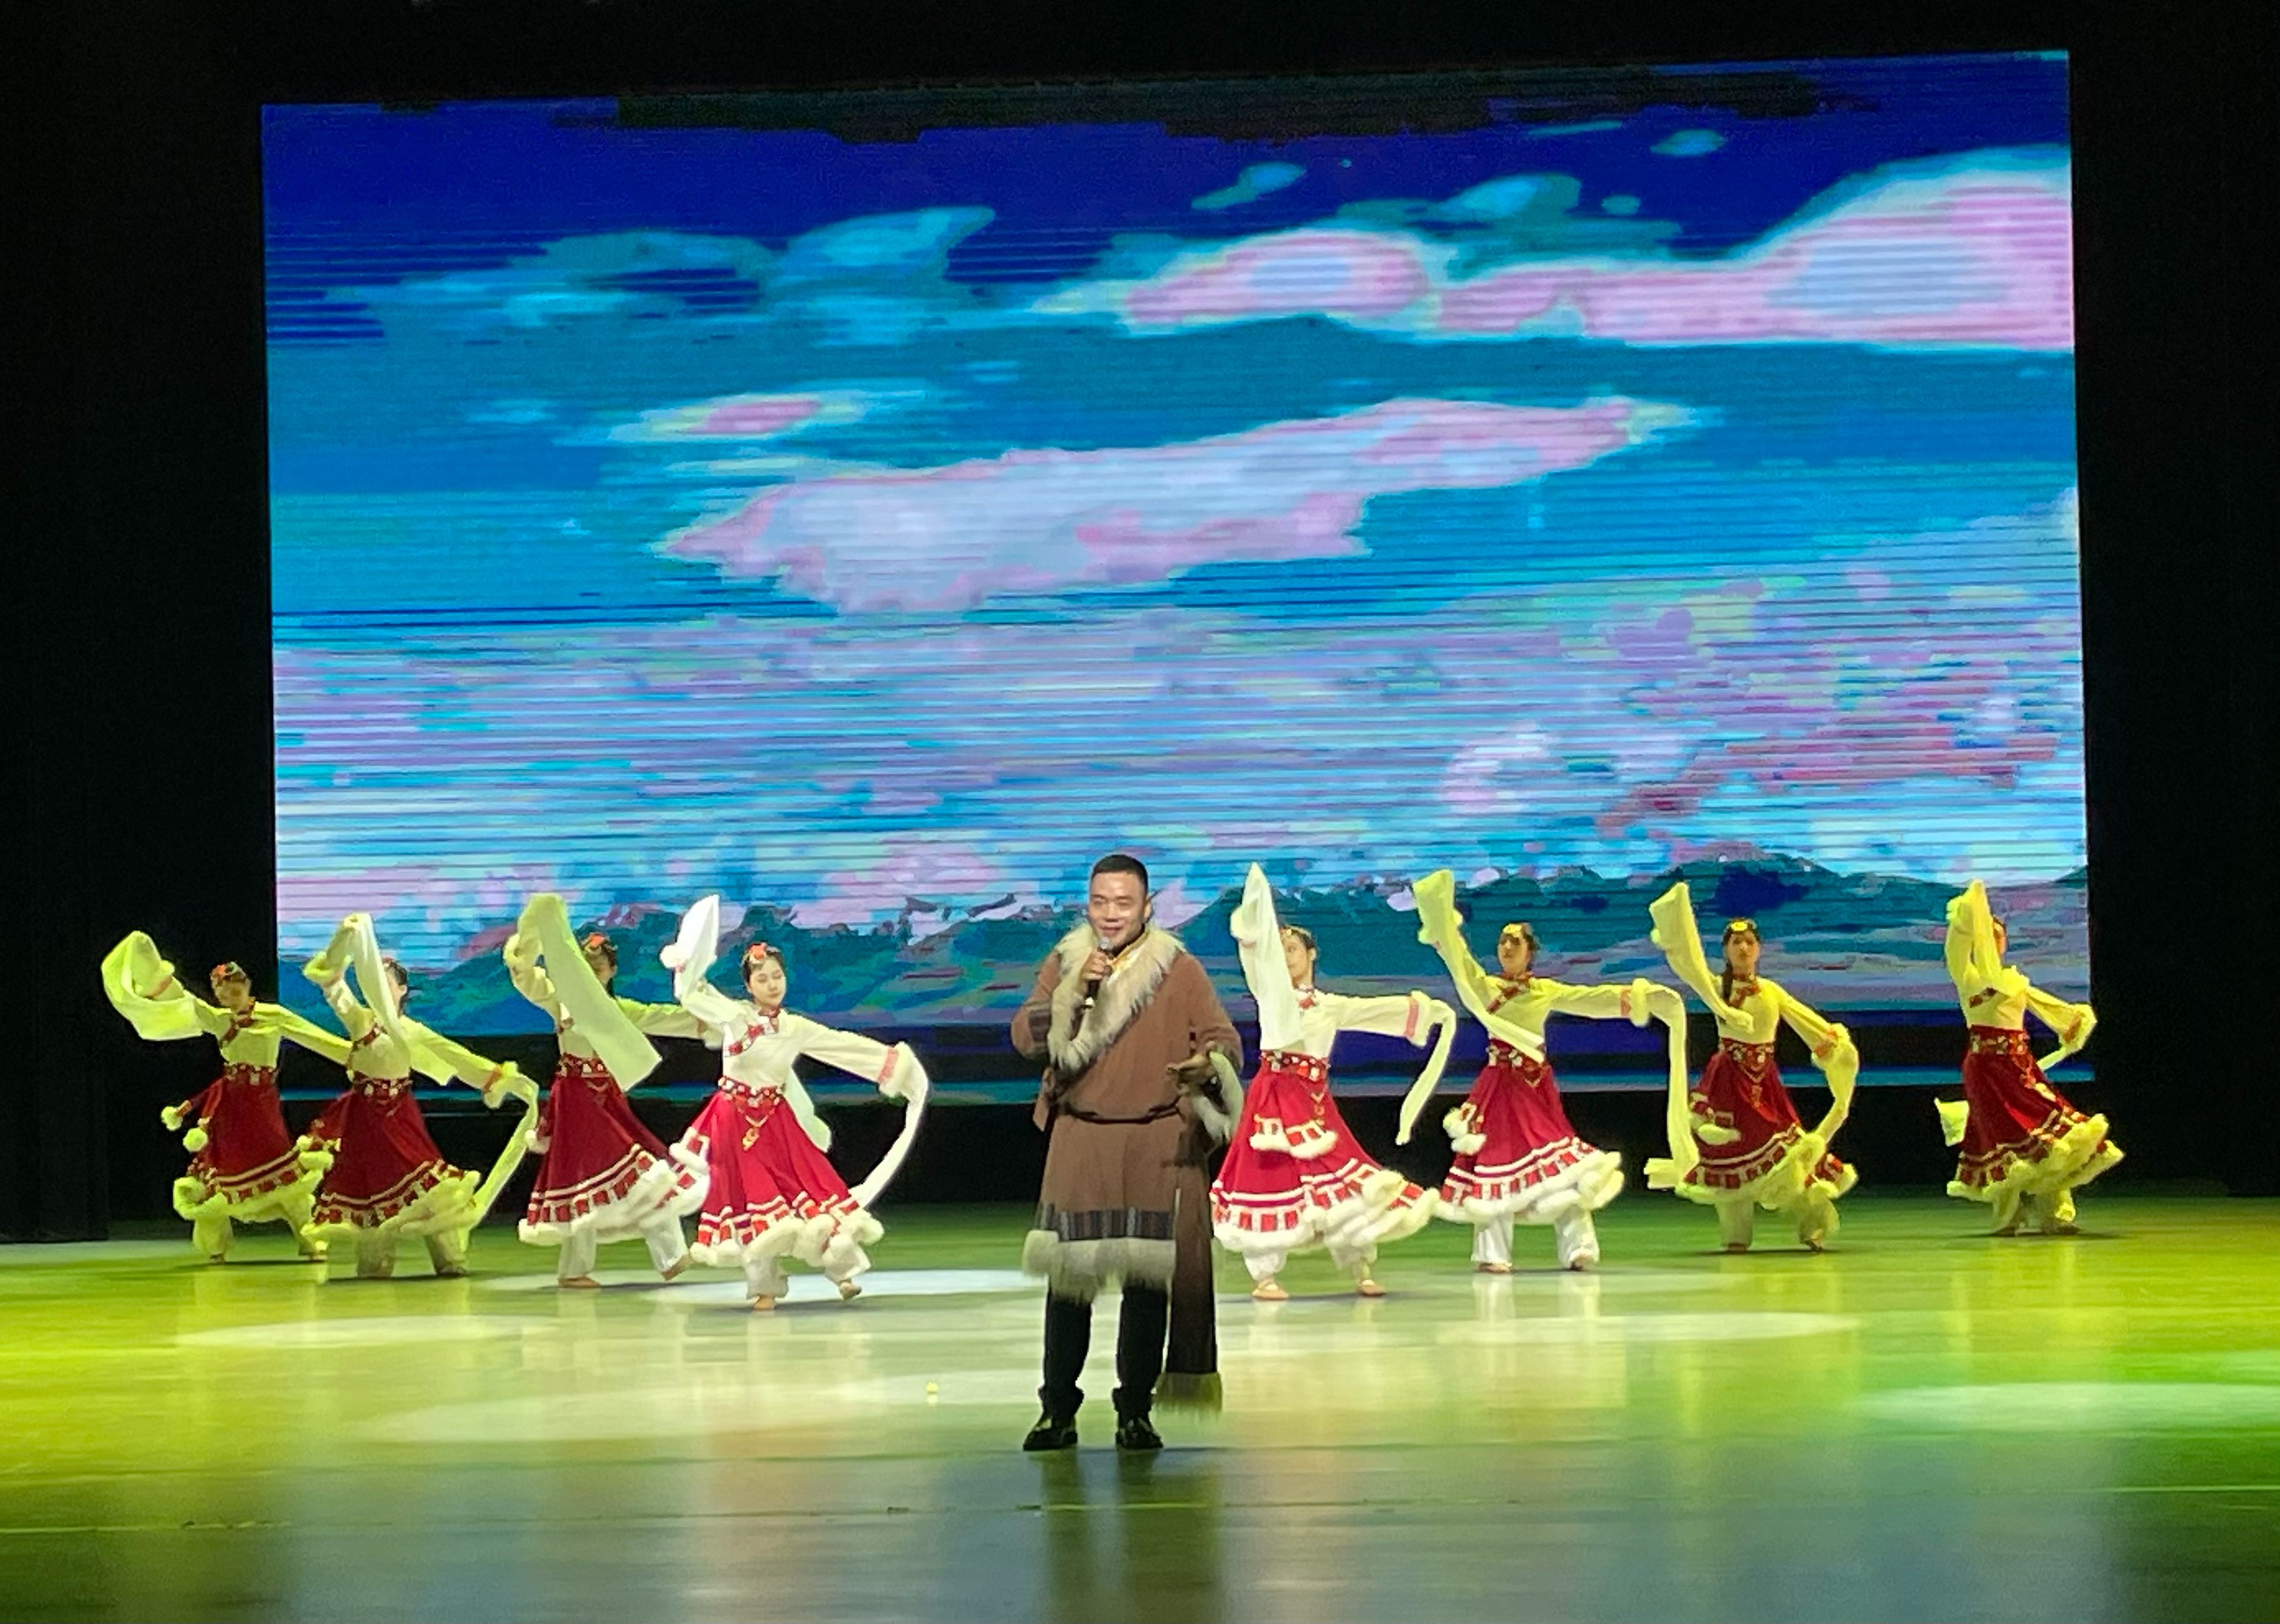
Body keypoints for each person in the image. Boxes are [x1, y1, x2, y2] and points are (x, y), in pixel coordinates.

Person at [1013, 853, 1243, 1453]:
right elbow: (1024, 1036)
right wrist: (1073, 993)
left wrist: (1206, 1065)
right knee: (1070, 1288)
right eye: (1100, 902)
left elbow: (1222, 1039)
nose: (1110, 914)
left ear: (1147, 907)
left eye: (1123, 902)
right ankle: (1057, 1410)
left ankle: (1135, 1411)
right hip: (1082, 1138)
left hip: (1153, 1142)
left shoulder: (1178, 968)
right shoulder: (1066, 960)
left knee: (1146, 1289)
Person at [661, 895, 928, 1310]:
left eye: (777, 976)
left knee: (814, 1189)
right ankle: (764, 1287)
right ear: (749, 986)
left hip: (776, 1120)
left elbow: (841, 1046)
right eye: (762, 978)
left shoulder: (794, 1027)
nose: (772, 984)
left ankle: (843, 1271)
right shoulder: (736, 1017)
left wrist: (895, 1067)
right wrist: (687, 959)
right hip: (733, 1121)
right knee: (753, 1204)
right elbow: (694, 995)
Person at [1410, 871, 1686, 1272]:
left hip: (1534, 1089)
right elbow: (1460, 961)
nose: (1507, 947)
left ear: (1530, 952)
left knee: (1561, 1163)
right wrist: (1442, 924)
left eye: (1515, 941)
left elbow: (1592, 999)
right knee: (1493, 1162)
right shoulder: (1485, 988)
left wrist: (1641, 999)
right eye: (1503, 941)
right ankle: (1492, 1253)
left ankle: (1579, 1247)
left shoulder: (1544, 991)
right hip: (1498, 1088)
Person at [1210, 863, 1451, 1298]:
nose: (1285, 957)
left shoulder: (1328, 1005)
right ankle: (1264, 1275)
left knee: (1343, 1181)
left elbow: (1373, 1011)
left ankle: (1359, 1267)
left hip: (1313, 1101)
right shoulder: (1270, 992)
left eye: (1292, 949)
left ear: (1311, 954)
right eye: (1280, 949)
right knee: (1268, 1176)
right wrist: (1254, 922)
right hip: (1273, 1096)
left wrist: (1425, 1011)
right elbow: (1255, 956)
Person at [301, 913, 539, 1278]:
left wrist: (499, 1079)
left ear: (401, 991)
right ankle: (375, 1262)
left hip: (399, 1117)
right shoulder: (361, 1021)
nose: (379, 989)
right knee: (368, 1186)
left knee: (425, 1186)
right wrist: (342, 939)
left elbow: (454, 1055)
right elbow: (331, 985)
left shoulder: (411, 1030)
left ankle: (448, 1257)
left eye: (387, 983)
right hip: (364, 1118)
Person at [100, 932, 346, 1261]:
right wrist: (150, 966)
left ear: (247, 985)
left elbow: (314, 1037)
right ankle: (216, 1245)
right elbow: (185, 1001)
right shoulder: (219, 1020)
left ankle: (308, 1239)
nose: (230, 996)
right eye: (222, 992)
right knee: (223, 1173)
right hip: (231, 1108)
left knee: (282, 1169)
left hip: (262, 1105)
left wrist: (354, 1056)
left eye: (235, 989)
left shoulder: (273, 1015)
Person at [504, 894, 709, 1288]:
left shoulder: (621, 1009)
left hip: (607, 1102)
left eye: (599, 968)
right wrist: (530, 938)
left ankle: (669, 1255)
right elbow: (525, 976)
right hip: (574, 1102)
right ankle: (576, 1271)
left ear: (612, 971)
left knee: (647, 1172)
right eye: (585, 967)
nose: (593, 973)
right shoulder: (560, 1001)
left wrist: (719, 1019)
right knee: (583, 1181)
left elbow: (670, 1019)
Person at [1643, 883, 1859, 1252]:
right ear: (1726, 950)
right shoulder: (1717, 990)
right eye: (1735, 943)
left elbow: (1803, 1020)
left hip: (1763, 1086)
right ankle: (1736, 1235)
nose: (1743, 948)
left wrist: (1833, 1046)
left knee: (1790, 1158)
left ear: (1759, 949)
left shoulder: (1771, 992)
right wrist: (1676, 933)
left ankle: (1811, 1225)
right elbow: (1690, 968)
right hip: (1728, 1084)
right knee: (1727, 1154)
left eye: (1749, 942)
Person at [1935, 879, 2119, 1233]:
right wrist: (1967, 915)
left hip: (2019, 1067)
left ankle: (2056, 1214)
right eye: (1988, 933)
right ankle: (2008, 1216)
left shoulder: (2014, 982)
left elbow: (2048, 1007)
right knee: (1999, 1139)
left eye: (1998, 935)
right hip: (1985, 1068)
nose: (1993, 940)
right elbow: (1955, 949)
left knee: (2052, 1139)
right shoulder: (1969, 978)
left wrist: (2071, 1023)